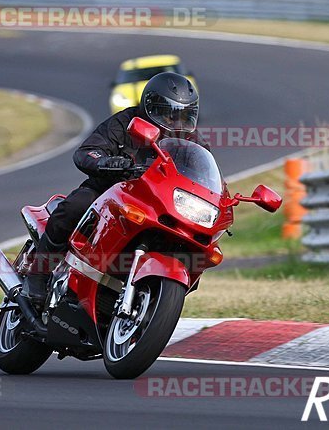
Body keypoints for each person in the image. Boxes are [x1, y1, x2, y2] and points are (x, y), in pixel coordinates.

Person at [23, 72, 208, 303]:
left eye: (183, 115)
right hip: (111, 190)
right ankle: (37, 275)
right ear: (150, 106)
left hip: (157, 201)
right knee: (74, 207)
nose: (175, 121)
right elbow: (87, 151)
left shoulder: (193, 141)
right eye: (169, 113)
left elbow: (204, 174)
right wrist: (107, 162)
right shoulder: (126, 122)